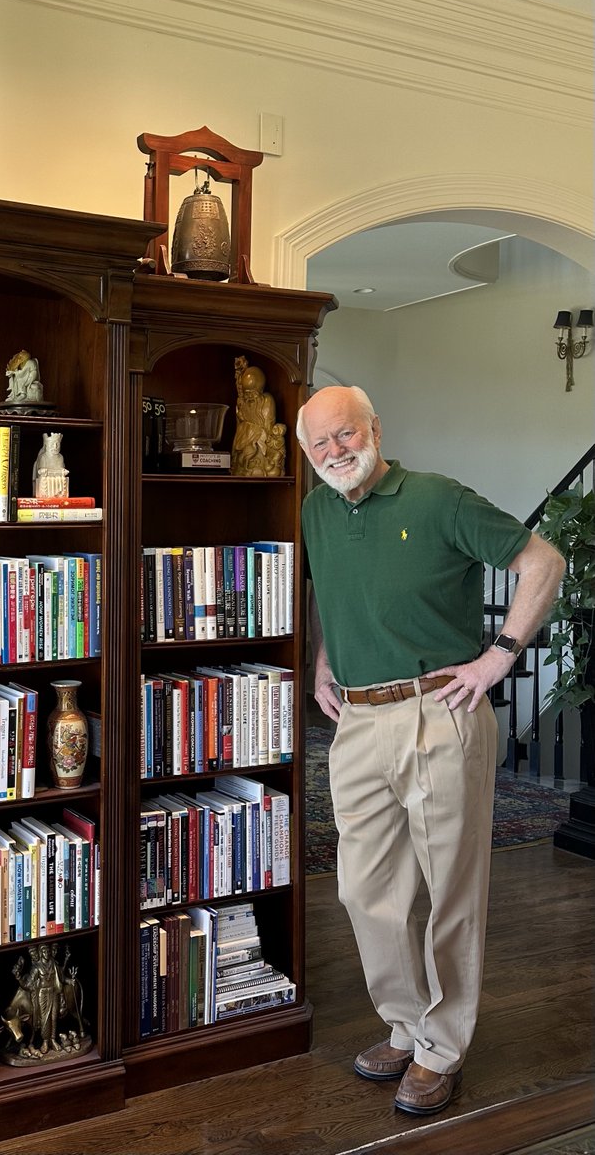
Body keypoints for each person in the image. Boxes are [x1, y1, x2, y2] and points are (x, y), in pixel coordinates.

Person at [296, 385, 565, 1116]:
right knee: (364, 890)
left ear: (375, 430)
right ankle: (406, 1025)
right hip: (356, 721)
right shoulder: (316, 510)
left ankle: (440, 1049)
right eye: (320, 442)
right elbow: (332, 593)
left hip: (439, 712)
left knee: (450, 891)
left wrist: (499, 655)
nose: (335, 451)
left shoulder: (440, 499)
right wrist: (324, 660)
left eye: (346, 434)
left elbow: (543, 561)